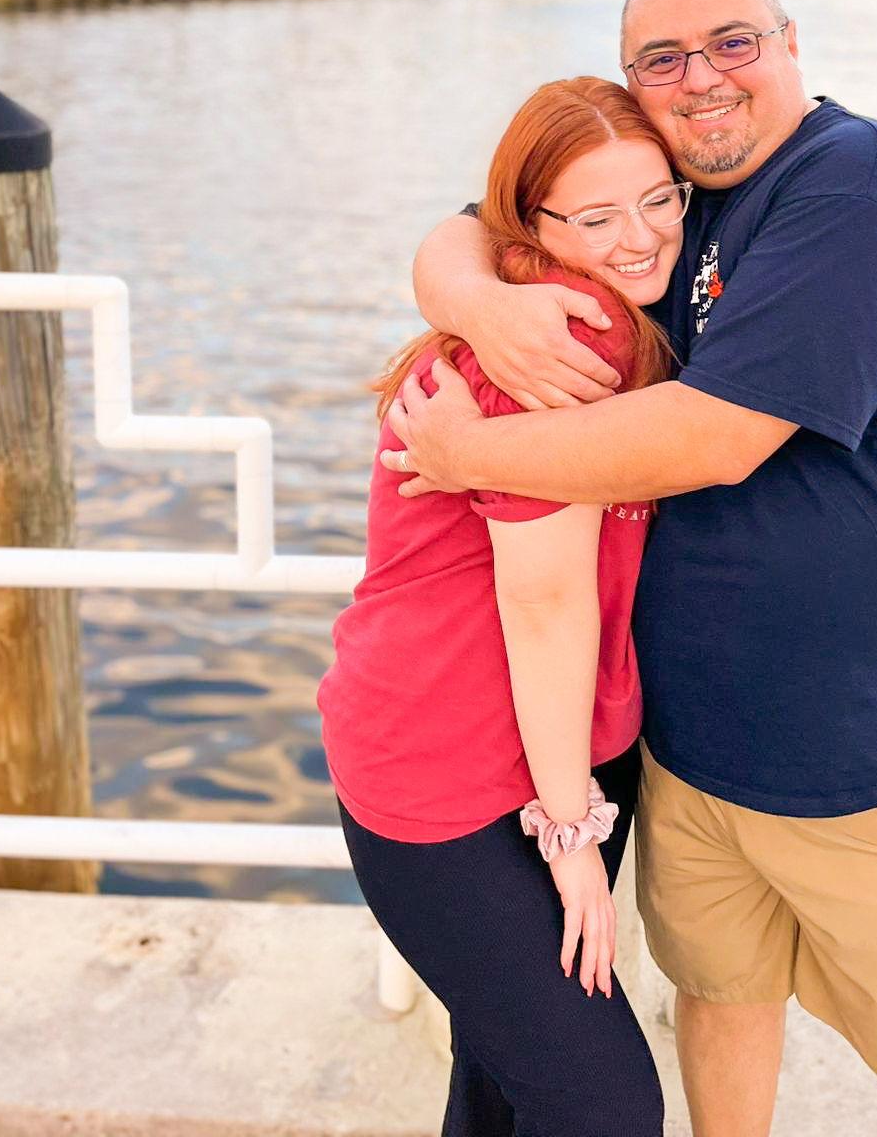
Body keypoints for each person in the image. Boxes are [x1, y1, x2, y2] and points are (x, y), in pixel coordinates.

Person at [385, 0, 877, 1137]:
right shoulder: (663, 187)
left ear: (790, 42)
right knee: (720, 1000)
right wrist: (481, 305)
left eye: (733, 41)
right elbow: (466, 223)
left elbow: (713, 436)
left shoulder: (860, 184)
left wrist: (471, 457)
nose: (703, 78)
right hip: (696, 745)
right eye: (662, 58)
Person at [317, 76, 684, 1137]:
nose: (638, 235)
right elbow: (545, 595)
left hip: (556, 745)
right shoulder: (554, 343)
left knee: (501, 1083)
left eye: (657, 199)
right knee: (603, 1103)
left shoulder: (574, 303)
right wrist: (570, 834)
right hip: (450, 771)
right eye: (598, 214)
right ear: (532, 221)